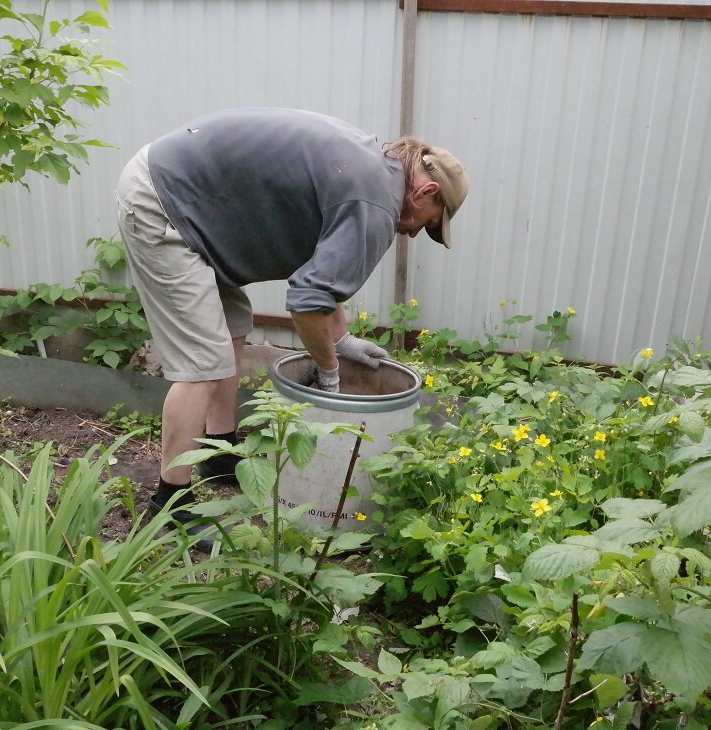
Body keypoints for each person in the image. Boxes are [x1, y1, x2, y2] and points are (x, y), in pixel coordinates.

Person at [114, 107, 468, 538]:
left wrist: (342, 339)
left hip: (194, 199)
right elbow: (306, 303)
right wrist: (330, 371)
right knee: (202, 365)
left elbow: (318, 273)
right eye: (430, 222)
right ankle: (169, 502)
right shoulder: (375, 201)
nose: (415, 234)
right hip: (163, 199)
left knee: (232, 327)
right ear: (426, 191)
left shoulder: (373, 171)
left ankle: (217, 450)